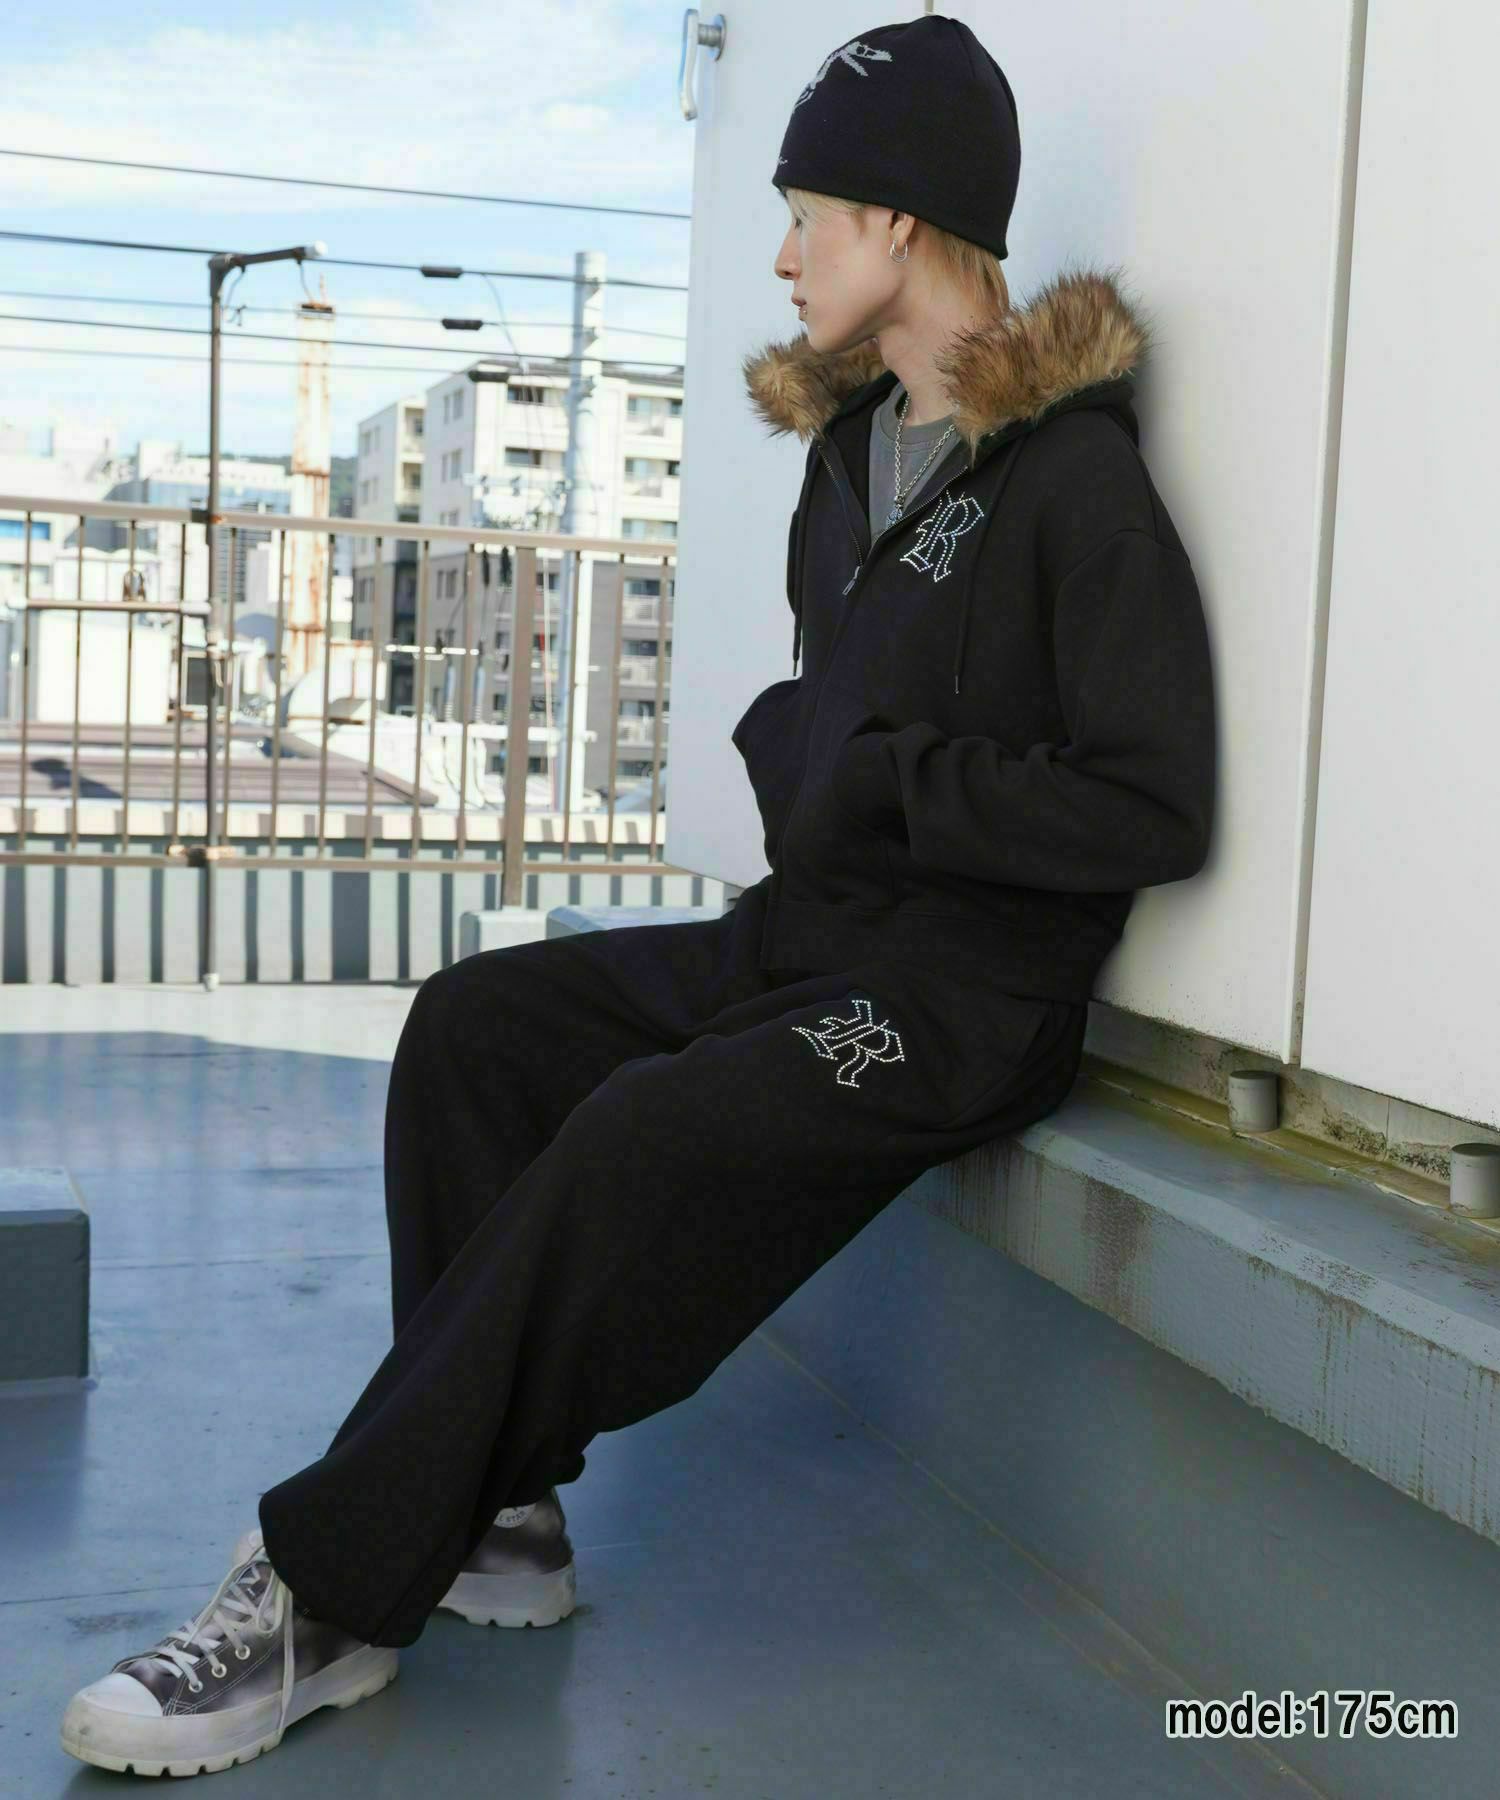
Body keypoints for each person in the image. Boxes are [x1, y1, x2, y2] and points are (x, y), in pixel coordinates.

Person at [59, 13, 1215, 1777]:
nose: (786, 257)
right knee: (476, 1027)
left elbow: (1153, 804)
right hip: (804, 943)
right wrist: (810, 759)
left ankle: (332, 1590)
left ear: (900, 220)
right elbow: (842, 733)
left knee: (634, 1131)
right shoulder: (850, 460)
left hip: (956, 1002)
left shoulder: (1076, 483)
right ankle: (500, 1512)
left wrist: (882, 776)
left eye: (807, 216)